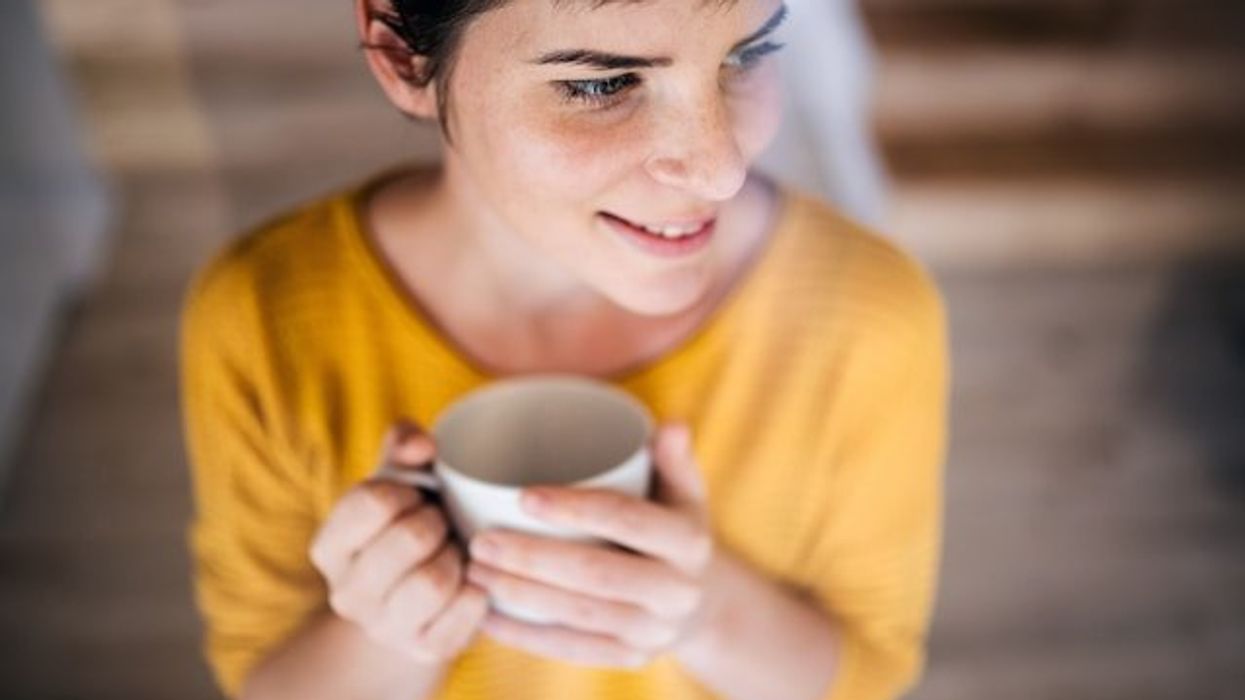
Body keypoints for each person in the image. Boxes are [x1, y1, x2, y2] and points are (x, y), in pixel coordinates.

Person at [179, 1, 948, 699]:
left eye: (745, 54)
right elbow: (264, 675)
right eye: (603, 84)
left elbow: (865, 673)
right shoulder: (264, 316)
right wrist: (385, 636)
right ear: (402, 55)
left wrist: (705, 610)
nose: (720, 169)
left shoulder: (866, 317)